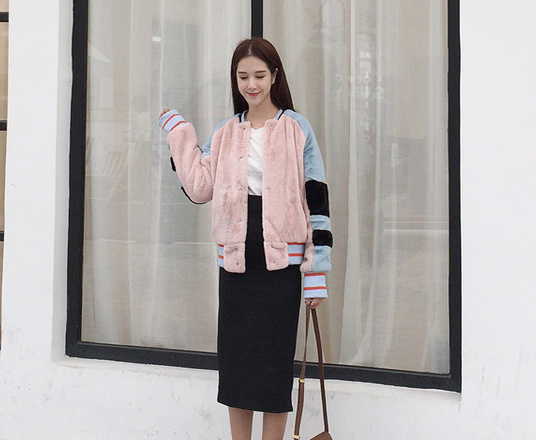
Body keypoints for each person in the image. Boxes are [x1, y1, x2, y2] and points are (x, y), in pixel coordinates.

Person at [159, 38, 332, 440]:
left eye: (259, 75)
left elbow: (317, 199)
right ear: (235, 80)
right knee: (236, 369)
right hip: (236, 268)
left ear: (274, 76)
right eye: (243, 77)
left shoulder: (297, 128)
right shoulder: (225, 132)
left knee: (274, 369)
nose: (251, 84)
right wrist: (180, 134)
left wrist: (316, 272)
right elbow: (200, 188)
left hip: (282, 268)